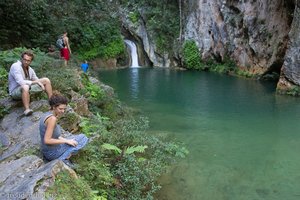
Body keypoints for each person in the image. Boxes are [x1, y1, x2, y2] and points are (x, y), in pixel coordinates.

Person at [39, 94, 88, 168]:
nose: (63, 111)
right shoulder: (52, 119)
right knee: (83, 138)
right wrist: (66, 141)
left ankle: (63, 155)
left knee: (73, 139)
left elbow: (55, 136)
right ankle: (63, 158)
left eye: (64, 109)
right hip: (52, 153)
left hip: (48, 150)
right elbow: (47, 140)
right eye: (60, 109)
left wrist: (67, 140)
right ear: (53, 107)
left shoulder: (46, 114)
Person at [8, 50, 53, 116]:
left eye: (28, 60)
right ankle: (27, 109)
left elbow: (36, 79)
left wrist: (40, 83)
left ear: (31, 61)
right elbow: (21, 82)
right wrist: (37, 82)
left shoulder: (30, 69)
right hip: (15, 92)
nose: (26, 62)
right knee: (25, 86)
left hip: (27, 89)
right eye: (24, 59)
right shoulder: (15, 66)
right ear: (22, 58)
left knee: (46, 80)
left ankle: (52, 102)